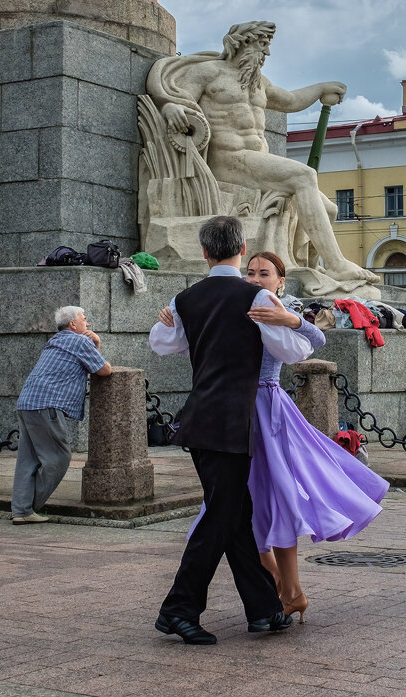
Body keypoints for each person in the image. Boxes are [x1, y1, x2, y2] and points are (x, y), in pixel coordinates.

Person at [160, 252, 389, 623]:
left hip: (268, 410)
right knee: (247, 507)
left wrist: (292, 318)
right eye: (250, 272)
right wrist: (176, 321)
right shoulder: (241, 302)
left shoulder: (277, 307)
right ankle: (278, 591)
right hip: (239, 412)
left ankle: (288, 591)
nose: (255, 278)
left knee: (277, 499)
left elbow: (317, 339)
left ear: (281, 281)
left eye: (264, 273)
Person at [149, 216, 313, 645]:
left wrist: (170, 318)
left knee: (236, 516)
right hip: (234, 422)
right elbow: (294, 352)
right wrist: (291, 322)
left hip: (201, 418)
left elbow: (162, 344)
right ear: (242, 248)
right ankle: (178, 610)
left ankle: (264, 610)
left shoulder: (185, 298)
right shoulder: (255, 295)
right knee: (222, 518)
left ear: (204, 252)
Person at [146, 20, 379, 288]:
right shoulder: (208, 73)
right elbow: (174, 98)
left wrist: (320, 89)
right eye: (262, 45)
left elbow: (290, 101)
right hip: (227, 160)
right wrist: (168, 107)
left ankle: (317, 269)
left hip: (257, 164)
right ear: (240, 44)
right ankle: (338, 265)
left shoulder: (259, 84)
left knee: (330, 208)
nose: (266, 54)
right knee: (304, 175)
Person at [11, 306, 111, 525]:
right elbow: (105, 370)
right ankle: (29, 506)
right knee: (59, 457)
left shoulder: (55, 341)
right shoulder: (79, 341)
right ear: (73, 324)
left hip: (28, 401)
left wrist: (94, 345)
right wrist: (97, 342)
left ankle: (21, 510)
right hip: (47, 405)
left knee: (28, 460)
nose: (87, 324)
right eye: (84, 320)